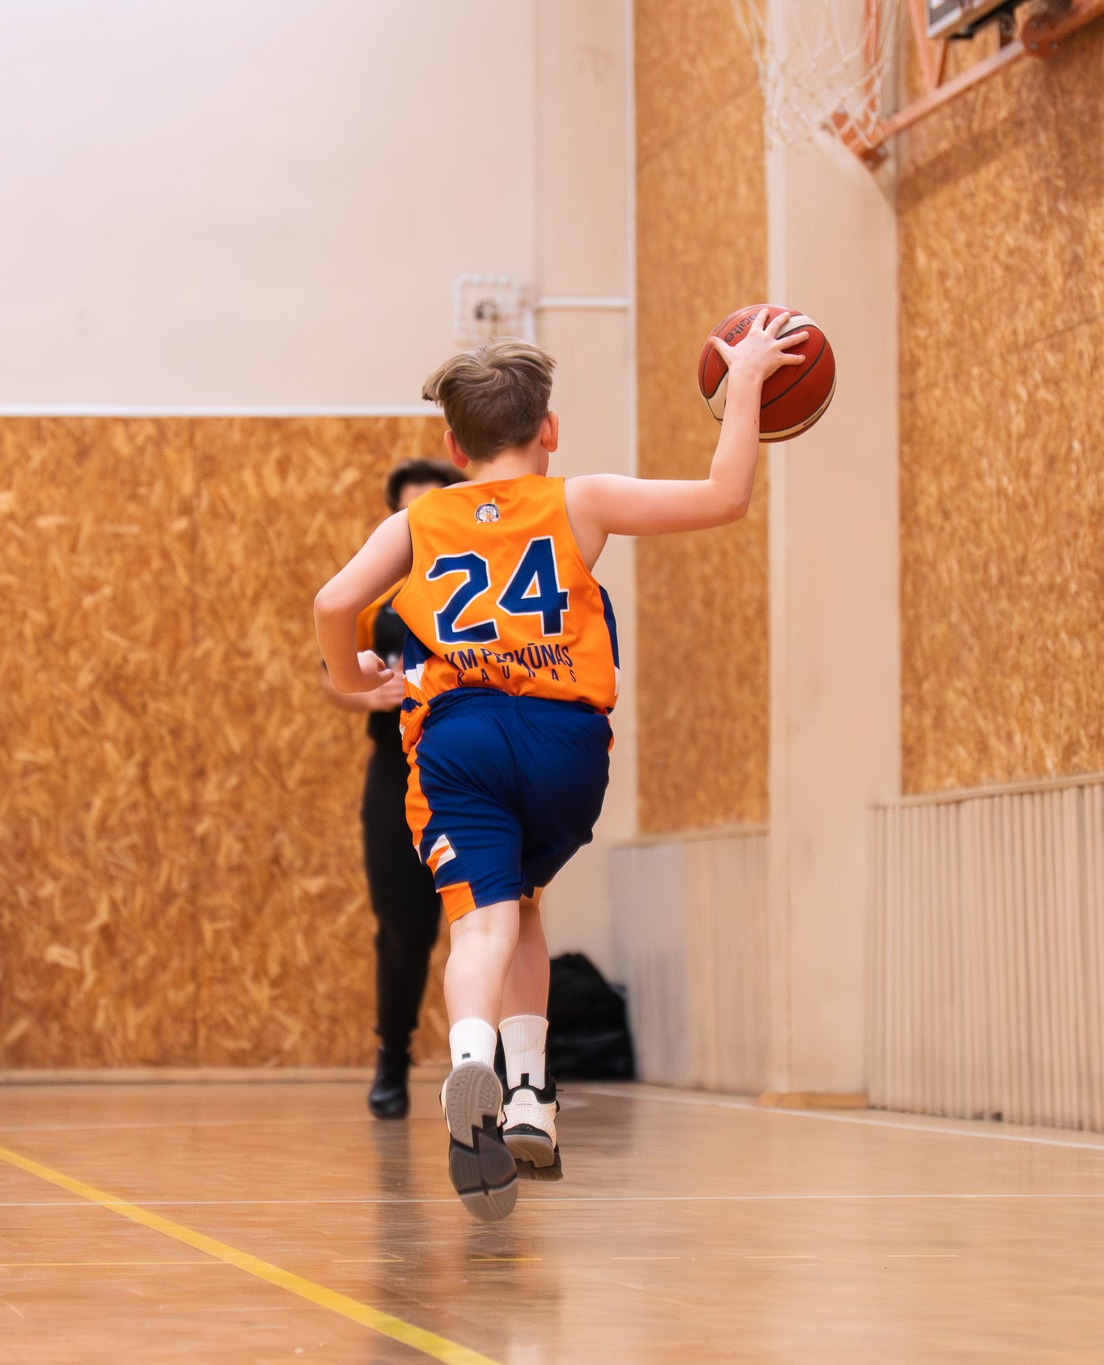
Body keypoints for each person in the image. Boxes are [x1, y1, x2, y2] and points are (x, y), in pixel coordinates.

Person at [314, 317, 803, 1220]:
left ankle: (472, 1064)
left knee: (482, 925)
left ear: (453, 446)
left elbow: (333, 602)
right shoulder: (583, 499)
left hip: (460, 740)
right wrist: (744, 387)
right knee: (528, 904)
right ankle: (531, 1093)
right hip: (564, 744)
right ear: (549, 429)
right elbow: (725, 494)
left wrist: (353, 682)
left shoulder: (418, 521)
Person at [321, 458, 463, 1119]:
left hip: (469, 767)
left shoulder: (478, 587)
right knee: (403, 928)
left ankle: (495, 1067)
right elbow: (333, 677)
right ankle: (393, 1056)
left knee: (489, 921)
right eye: (407, 512)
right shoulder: (374, 600)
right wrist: (366, 694)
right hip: (397, 770)